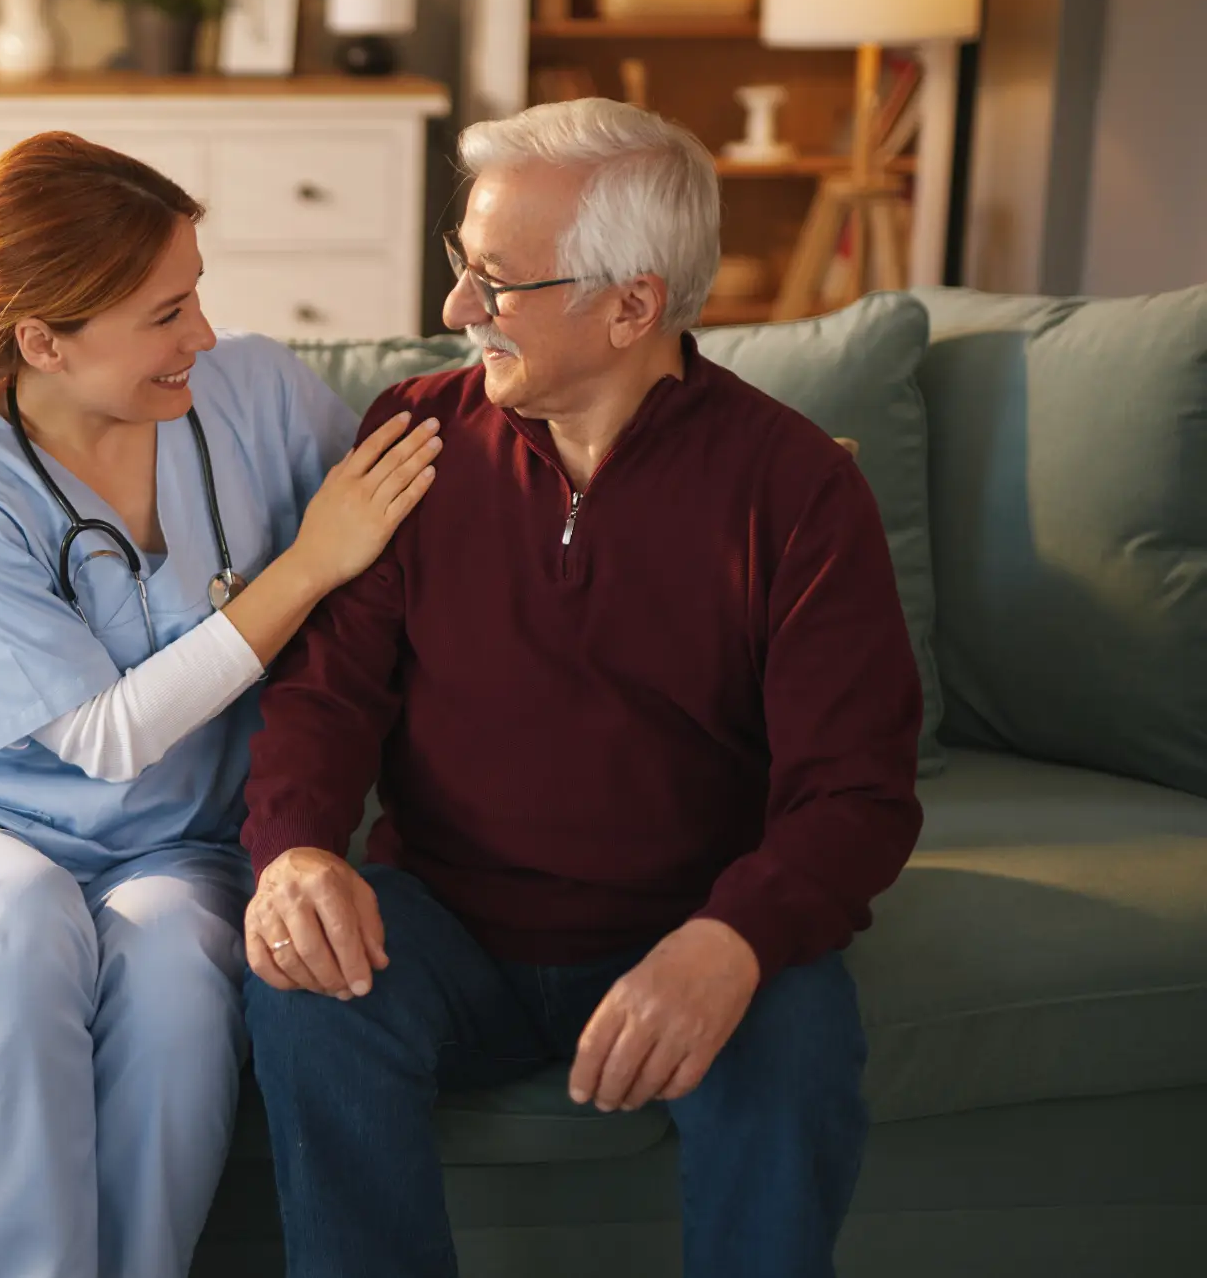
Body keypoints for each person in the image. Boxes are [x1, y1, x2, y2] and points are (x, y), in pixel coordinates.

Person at [239, 98, 924, 1277]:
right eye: (462, 268)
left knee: (799, 1033)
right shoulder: (412, 437)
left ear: (632, 304)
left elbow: (854, 792)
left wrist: (731, 941)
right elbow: (326, 693)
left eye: (495, 283)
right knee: (306, 988)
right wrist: (294, 848)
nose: (455, 311)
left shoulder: (797, 489)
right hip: (445, 925)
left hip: (692, 917)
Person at [0, 131, 441, 1278]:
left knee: (170, 971)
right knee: (17, 921)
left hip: (177, 842)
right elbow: (107, 736)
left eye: (195, 293)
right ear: (42, 341)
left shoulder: (252, 394)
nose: (199, 335)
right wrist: (302, 566)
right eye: (163, 315)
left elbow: (416, 524)